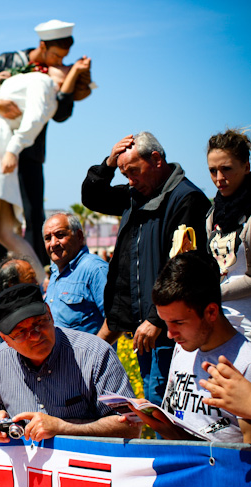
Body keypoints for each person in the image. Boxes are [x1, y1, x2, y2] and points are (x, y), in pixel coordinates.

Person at [82, 132, 211, 407]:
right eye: (123, 173)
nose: (129, 181)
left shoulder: (186, 199)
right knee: (154, 403)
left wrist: (155, 319)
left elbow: (182, 268)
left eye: (133, 171)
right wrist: (107, 164)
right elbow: (92, 197)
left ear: (156, 160)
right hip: (145, 327)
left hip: (168, 327)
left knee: (168, 405)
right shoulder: (136, 195)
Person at [0, 20, 85, 267]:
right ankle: (6, 271)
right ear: (43, 46)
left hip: (30, 153)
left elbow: (62, 113)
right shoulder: (8, 60)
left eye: (64, 58)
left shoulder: (54, 76)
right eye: (56, 55)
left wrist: (71, 77)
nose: (58, 61)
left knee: (32, 214)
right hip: (1, 147)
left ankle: (40, 268)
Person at [0, 283, 140, 442]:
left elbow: (131, 426)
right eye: (21, 332)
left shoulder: (94, 354)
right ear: (4, 338)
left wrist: (64, 428)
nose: (35, 336)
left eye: (39, 323)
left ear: (49, 313)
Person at [129, 252, 251, 442]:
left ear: (211, 312)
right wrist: (161, 424)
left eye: (178, 322)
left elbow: (243, 462)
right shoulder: (184, 348)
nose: (170, 334)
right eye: (165, 322)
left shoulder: (245, 363)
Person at [204, 129, 251, 338]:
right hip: (220, 322)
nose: (219, 178)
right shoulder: (213, 214)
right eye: (213, 171)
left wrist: (212, 293)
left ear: (247, 167)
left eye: (227, 169)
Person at [43, 212, 107, 334]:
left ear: (79, 236)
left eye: (60, 235)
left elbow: (116, 319)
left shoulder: (95, 269)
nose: (53, 243)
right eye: (48, 238)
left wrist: (95, 352)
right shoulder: (55, 272)